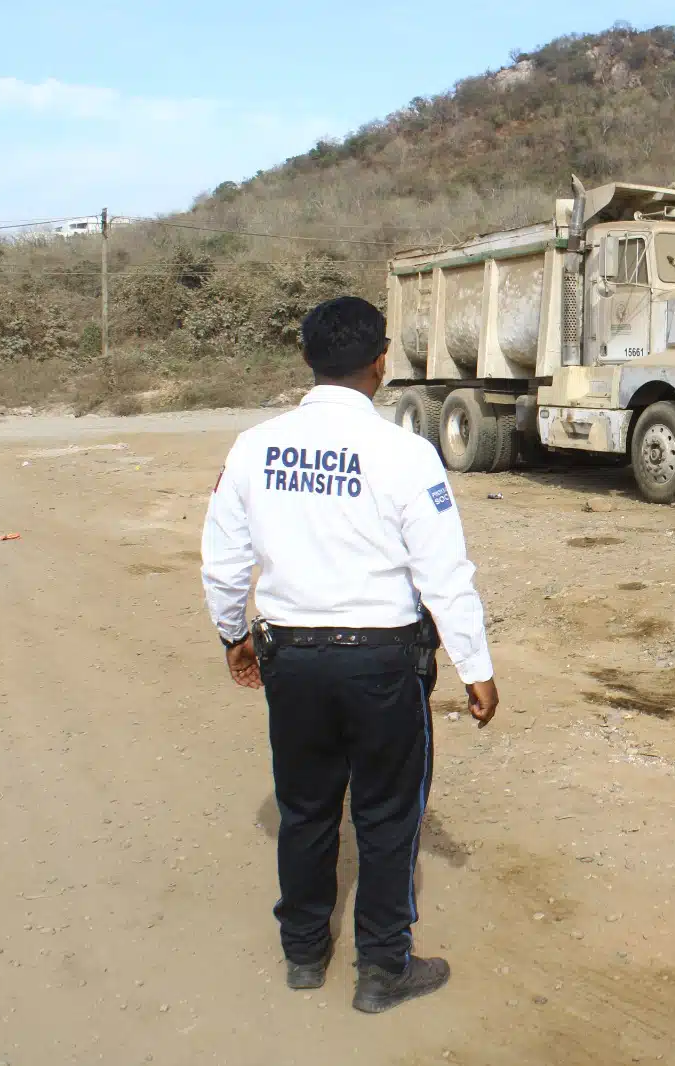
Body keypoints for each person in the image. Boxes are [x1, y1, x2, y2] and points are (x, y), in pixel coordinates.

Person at [200, 295, 500, 1015]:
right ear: (381, 361)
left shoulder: (255, 446)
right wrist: (475, 667)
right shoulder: (404, 453)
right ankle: (382, 969)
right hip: (382, 665)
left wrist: (232, 635)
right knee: (387, 816)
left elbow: (222, 559)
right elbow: (443, 571)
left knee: (305, 810)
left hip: (292, 660)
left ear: (309, 358)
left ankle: (304, 954)